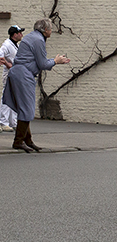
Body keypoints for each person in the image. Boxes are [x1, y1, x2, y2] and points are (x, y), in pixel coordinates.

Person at [2, 18, 70, 152]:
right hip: (24, 75)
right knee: (27, 109)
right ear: (45, 30)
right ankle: (18, 141)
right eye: (50, 28)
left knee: (23, 108)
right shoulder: (39, 40)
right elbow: (43, 64)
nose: (51, 31)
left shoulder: (31, 37)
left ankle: (27, 140)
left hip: (17, 72)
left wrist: (53, 60)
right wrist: (56, 61)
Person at [0, 24, 24, 132]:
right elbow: (1, 55)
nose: (21, 35)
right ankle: (3, 122)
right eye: (20, 33)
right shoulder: (7, 45)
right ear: (15, 34)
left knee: (15, 97)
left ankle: (12, 122)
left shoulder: (14, 45)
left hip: (15, 74)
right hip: (9, 74)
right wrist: (6, 63)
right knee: (6, 97)